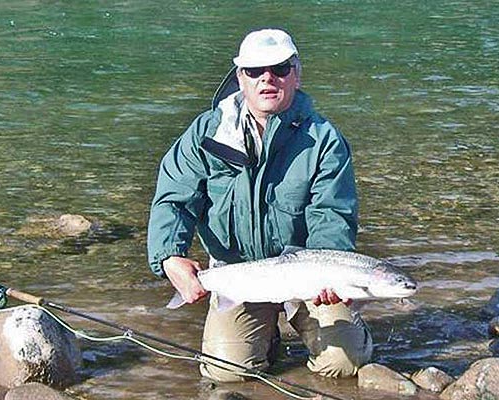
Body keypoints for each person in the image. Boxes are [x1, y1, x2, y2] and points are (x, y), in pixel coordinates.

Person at [147, 28, 372, 381]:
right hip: (237, 275)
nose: (267, 78)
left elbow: (332, 214)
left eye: (280, 68)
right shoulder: (206, 134)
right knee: (227, 375)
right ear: (240, 77)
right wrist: (168, 257)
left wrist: (330, 272)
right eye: (254, 71)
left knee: (345, 364)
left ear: (296, 75)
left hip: (307, 274)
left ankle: (341, 330)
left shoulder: (323, 140)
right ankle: (266, 337)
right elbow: (173, 198)